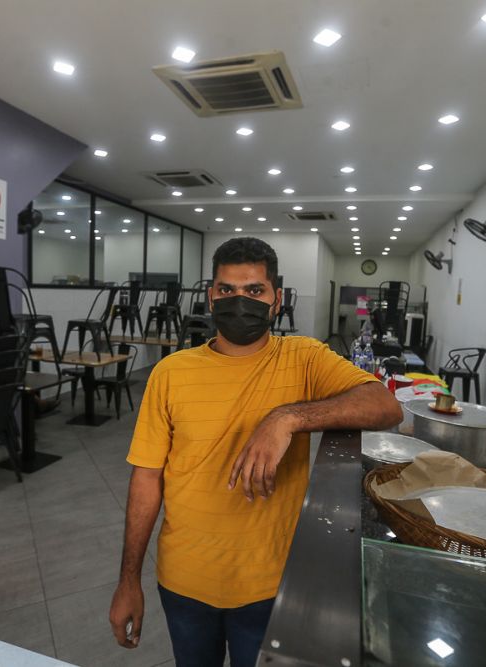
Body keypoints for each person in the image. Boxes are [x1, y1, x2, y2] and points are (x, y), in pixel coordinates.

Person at [108, 237, 402, 666]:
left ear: (275, 299)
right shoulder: (171, 373)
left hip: (270, 585)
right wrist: (128, 579)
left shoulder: (302, 358)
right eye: (227, 290)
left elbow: (384, 405)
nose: (239, 301)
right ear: (211, 297)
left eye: (254, 291)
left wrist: (286, 418)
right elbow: (147, 478)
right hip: (184, 582)